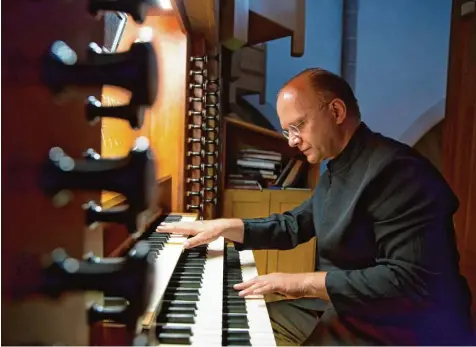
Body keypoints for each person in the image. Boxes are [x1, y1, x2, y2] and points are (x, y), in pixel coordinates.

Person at [157, 68, 474, 346]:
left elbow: (411, 281)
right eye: (287, 131)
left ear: (336, 111)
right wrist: (225, 227)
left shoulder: (397, 171)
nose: (292, 141)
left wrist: (300, 282)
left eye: (298, 126)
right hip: (348, 308)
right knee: (236, 323)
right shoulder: (339, 164)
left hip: (399, 328)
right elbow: (296, 224)